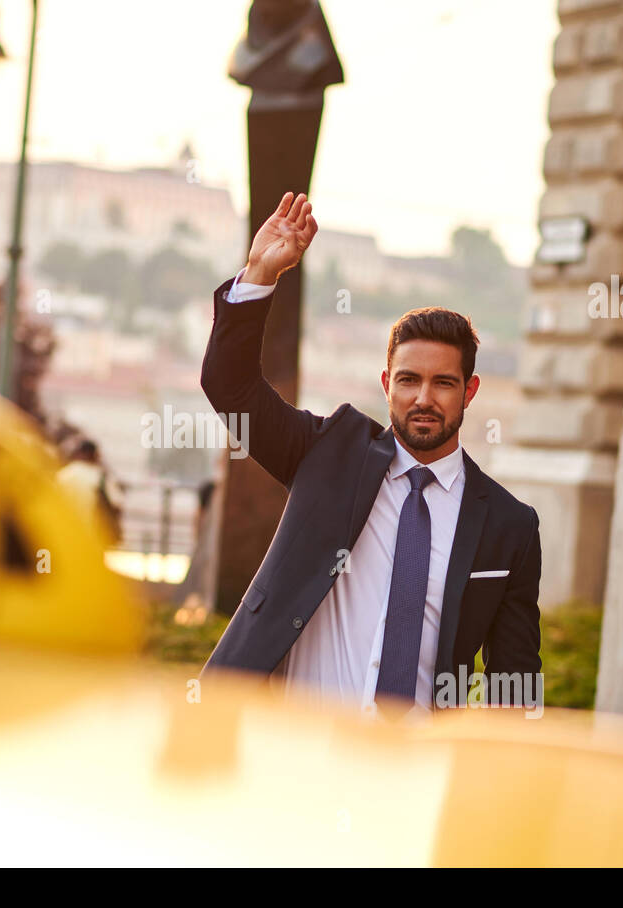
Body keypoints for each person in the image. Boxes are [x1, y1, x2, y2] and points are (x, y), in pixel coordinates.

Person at [199, 192, 541, 720]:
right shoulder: (329, 453)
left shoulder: (508, 527)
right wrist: (259, 274)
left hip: (411, 775)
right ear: (386, 384)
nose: (423, 398)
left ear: (469, 391)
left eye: (442, 383)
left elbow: (512, 689)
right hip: (287, 753)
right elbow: (231, 387)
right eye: (408, 380)